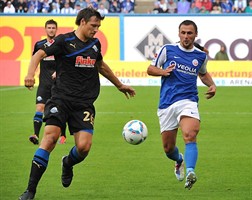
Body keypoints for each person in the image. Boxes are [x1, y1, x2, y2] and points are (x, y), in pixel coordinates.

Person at [19, 8, 135, 200]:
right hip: (61, 99)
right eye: (93, 25)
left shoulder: (95, 45)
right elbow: (39, 54)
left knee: (84, 147)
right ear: (82, 22)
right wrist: (30, 74)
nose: (96, 29)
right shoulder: (64, 41)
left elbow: (101, 66)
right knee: (50, 138)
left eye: (98, 26)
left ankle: (67, 163)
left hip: (84, 104)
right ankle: (30, 190)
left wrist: (119, 85)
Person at [147, 20, 216, 190]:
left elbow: (203, 73)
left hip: (188, 100)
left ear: (195, 35)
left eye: (189, 33)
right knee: (168, 148)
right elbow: (150, 69)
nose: (186, 36)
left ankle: (191, 171)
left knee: (190, 134)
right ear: (179, 34)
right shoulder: (167, 50)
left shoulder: (200, 56)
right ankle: (179, 160)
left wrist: (212, 85)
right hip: (167, 104)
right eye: (183, 33)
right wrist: (163, 71)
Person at [28, 19, 67, 145]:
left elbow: (66, 62)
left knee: (60, 109)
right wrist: (31, 76)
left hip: (58, 84)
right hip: (44, 83)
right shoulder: (39, 45)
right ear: (45, 29)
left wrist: (58, 71)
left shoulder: (60, 45)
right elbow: (35, 59)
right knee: (40, 107)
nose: (51, 30)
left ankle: (63, 135)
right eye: (49, 28)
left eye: (53, 28)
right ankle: (35, 135)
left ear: (56, 30)